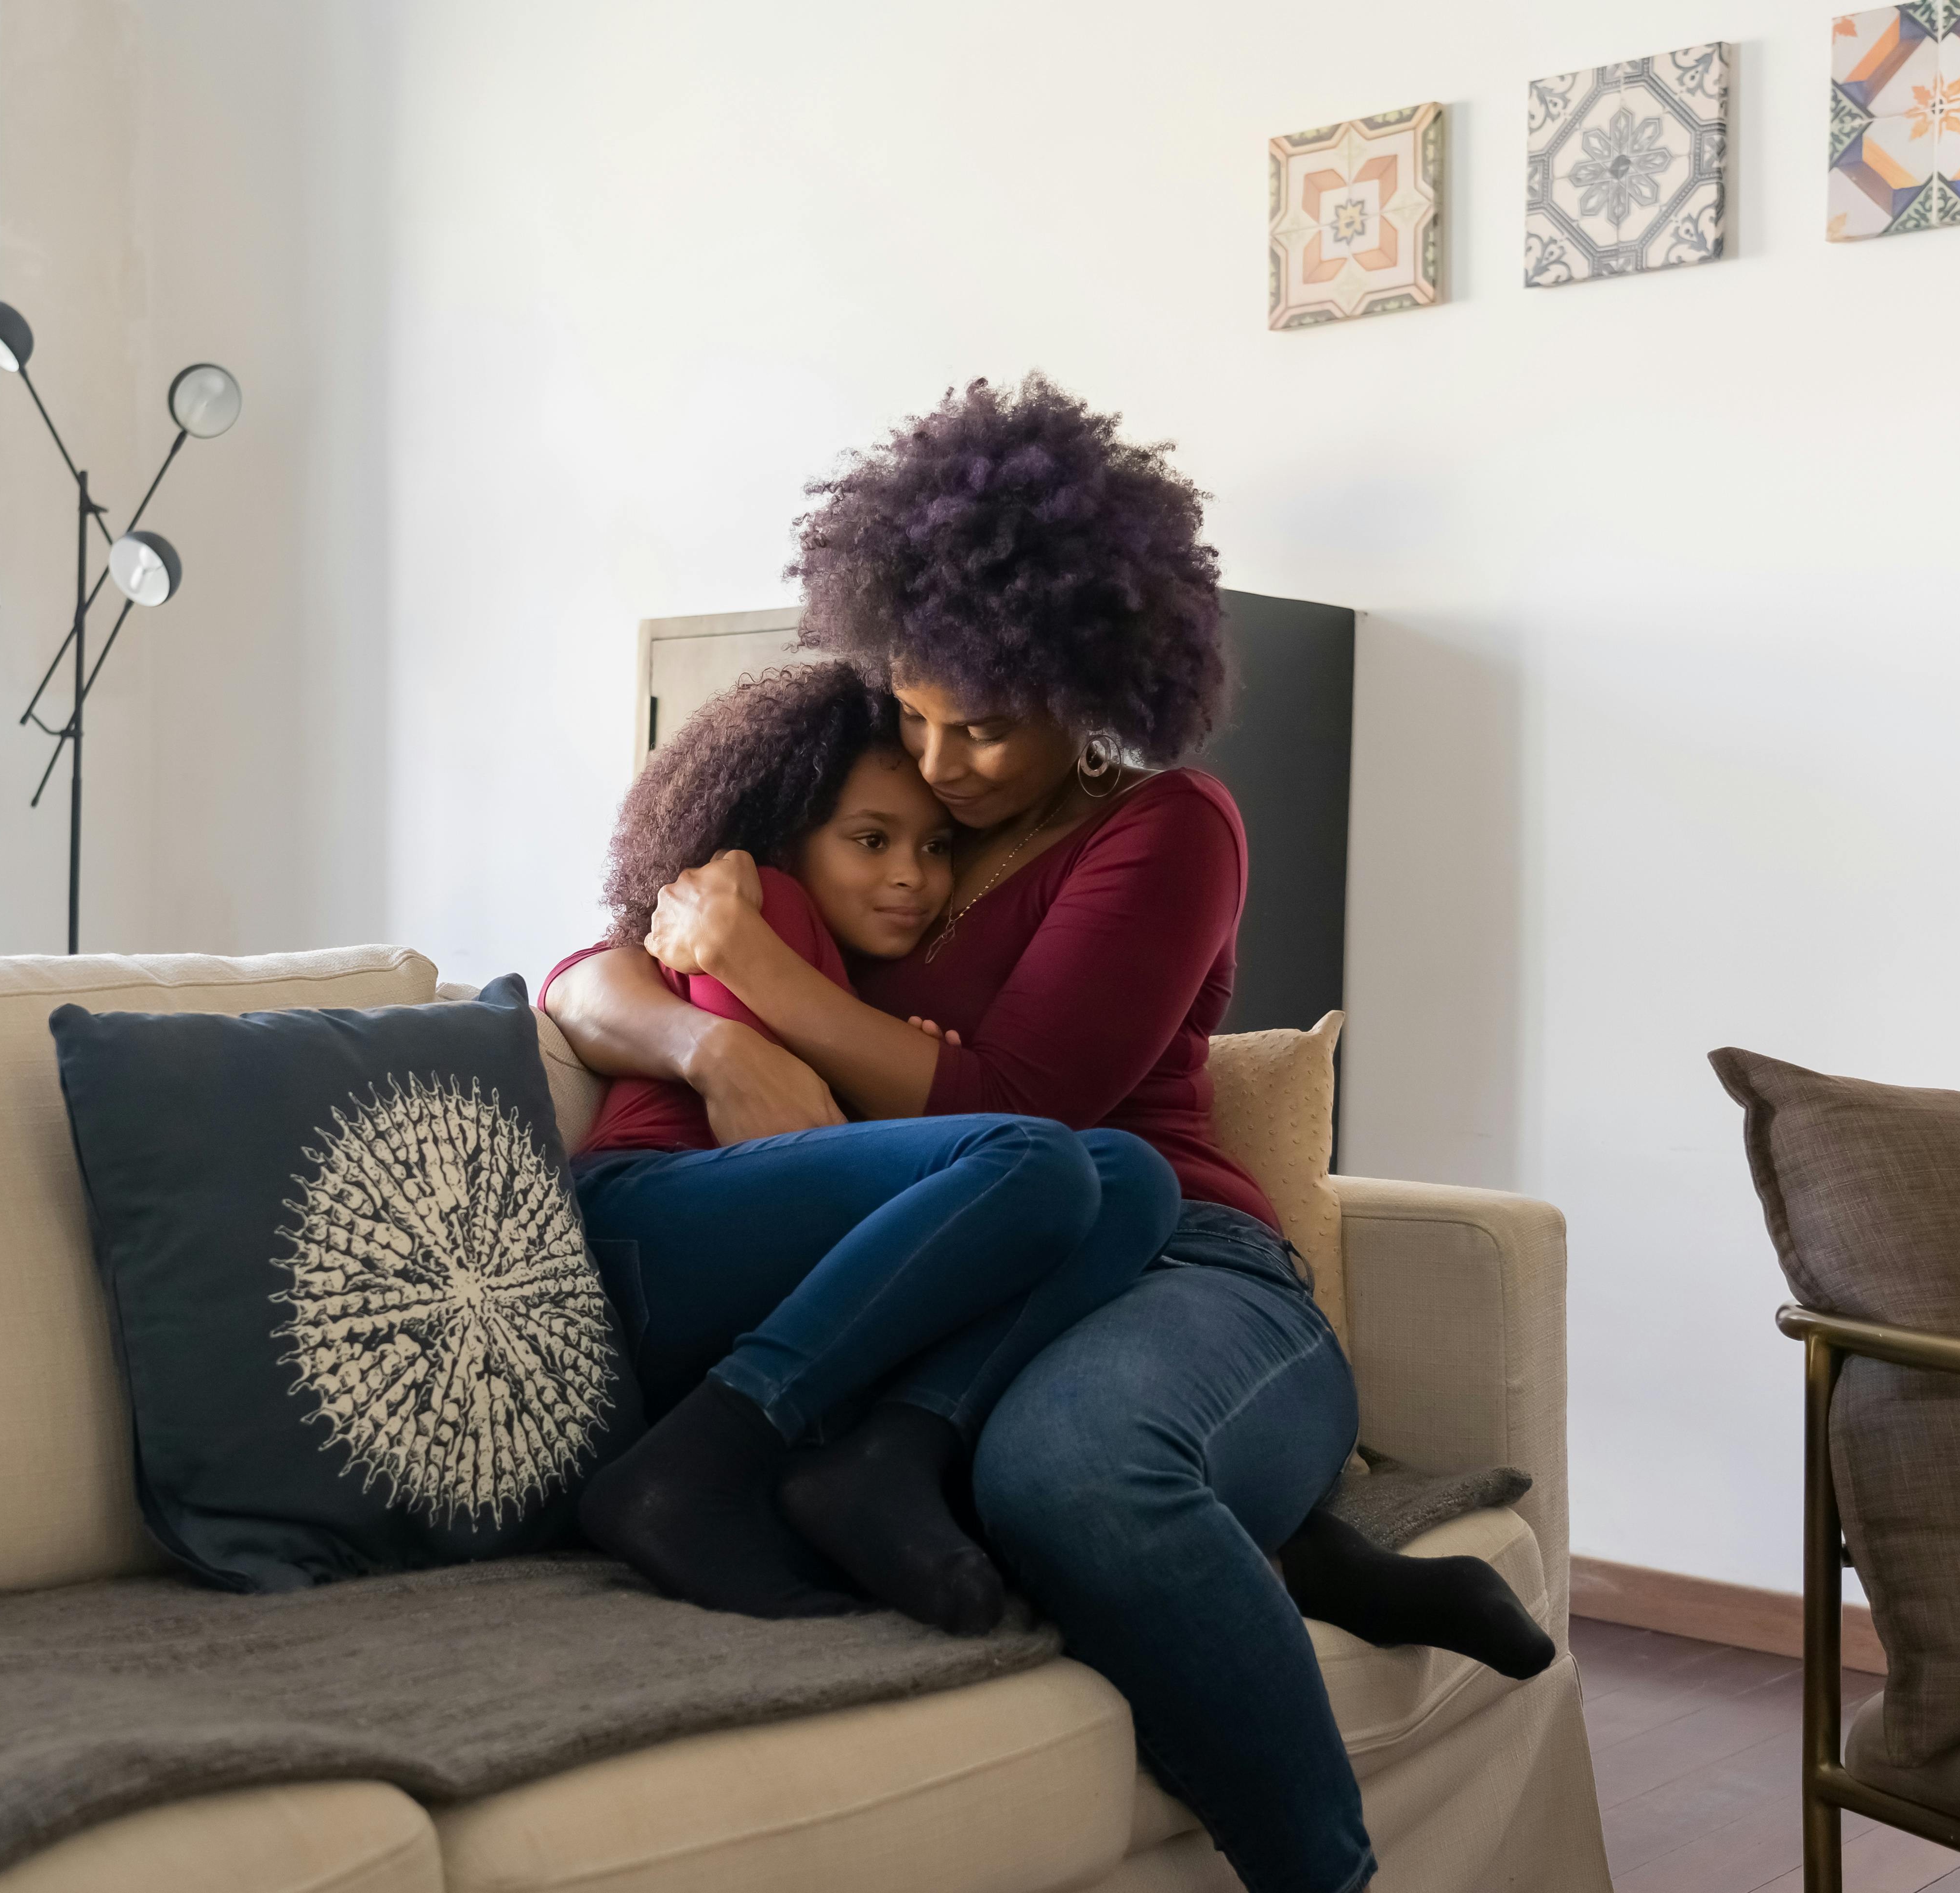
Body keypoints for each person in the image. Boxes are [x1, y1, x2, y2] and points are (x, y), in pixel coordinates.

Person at [546, 375, 1551, 1893]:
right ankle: (1303, 1553)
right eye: (917, 713)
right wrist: (706, 1017)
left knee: (1079, 1472)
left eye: (989, 731)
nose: (943, 768)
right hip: (952, 1270)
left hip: (1179, 1258)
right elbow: (586, 967)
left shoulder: (1170, 828)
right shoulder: (864, 811)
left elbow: (1027, 1108)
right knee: (963, 1436)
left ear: (1091, 692)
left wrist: (753, 981)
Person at [552, 660, 1182, 1635]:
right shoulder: (750, 901)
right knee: (1039, 1161)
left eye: (935, 848)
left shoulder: (854, 975)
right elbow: (777, 1128)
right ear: (784, 832)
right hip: (645, 1226)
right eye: (869, 839)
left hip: (727, 1251)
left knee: (1130, 1174)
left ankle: (884, 1458)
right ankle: (688, 1472)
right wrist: (930, 1135)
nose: (910, 877)